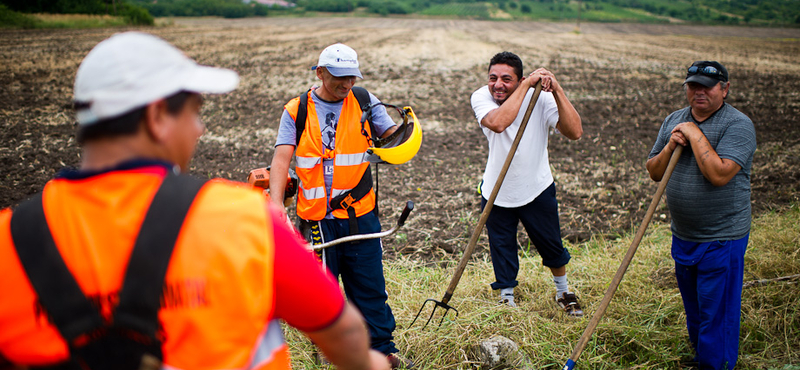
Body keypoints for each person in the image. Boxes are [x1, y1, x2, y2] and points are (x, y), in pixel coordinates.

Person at [0, 32, 389, 370]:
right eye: (194, 112)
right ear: (157, 117)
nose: (200, 128)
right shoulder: (241, 222)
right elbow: (341, 331)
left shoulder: (9, 241)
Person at [268, 43, 412, 369]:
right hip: (316, 221)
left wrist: (406, 131)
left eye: (351, 77)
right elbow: (281, 159)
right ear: (320, 73)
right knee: (322, 294)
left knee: (370, 288)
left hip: (359, 215)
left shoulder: (364, 101)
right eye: (338, 77)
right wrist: (276, 204)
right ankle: (331, 352)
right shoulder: (297, 110)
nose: (345, 84)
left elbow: (392, 140)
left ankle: (382, 352)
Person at [646, 61, 756, 370]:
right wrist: (670, 144)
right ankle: (702, 358)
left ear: (724, 89)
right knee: (695, 307)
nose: (699, 92)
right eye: (693, 85)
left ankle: (715, 364)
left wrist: (695, 135)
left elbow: (720, 175)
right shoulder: (674, 121)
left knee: (716, 311)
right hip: (684, 235)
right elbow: (654, 171)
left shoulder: (738, 125)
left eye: (707, 86)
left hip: (721, 237)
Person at [470, 51, 584, 315]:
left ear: (519, 78)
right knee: (502, 246)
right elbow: (498, 123)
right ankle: (507, 298)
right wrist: (524, 85)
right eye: (493, 77)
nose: (498, 84)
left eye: (506, 79)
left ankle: (563, 292)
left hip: (536, 186)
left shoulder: (540, 99)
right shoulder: (482, 97)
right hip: (497, 189)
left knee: (551, 244)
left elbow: (575, 132)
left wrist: (556, 90)